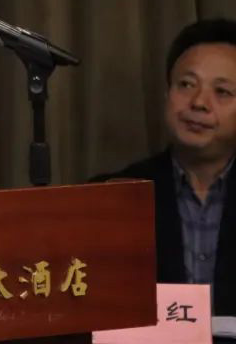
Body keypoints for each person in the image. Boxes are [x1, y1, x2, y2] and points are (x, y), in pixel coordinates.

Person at [93, 18, 236, 316]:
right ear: (166, 93)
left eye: (222, 91)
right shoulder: (111, 196)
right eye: (186, 85)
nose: (199, 102)